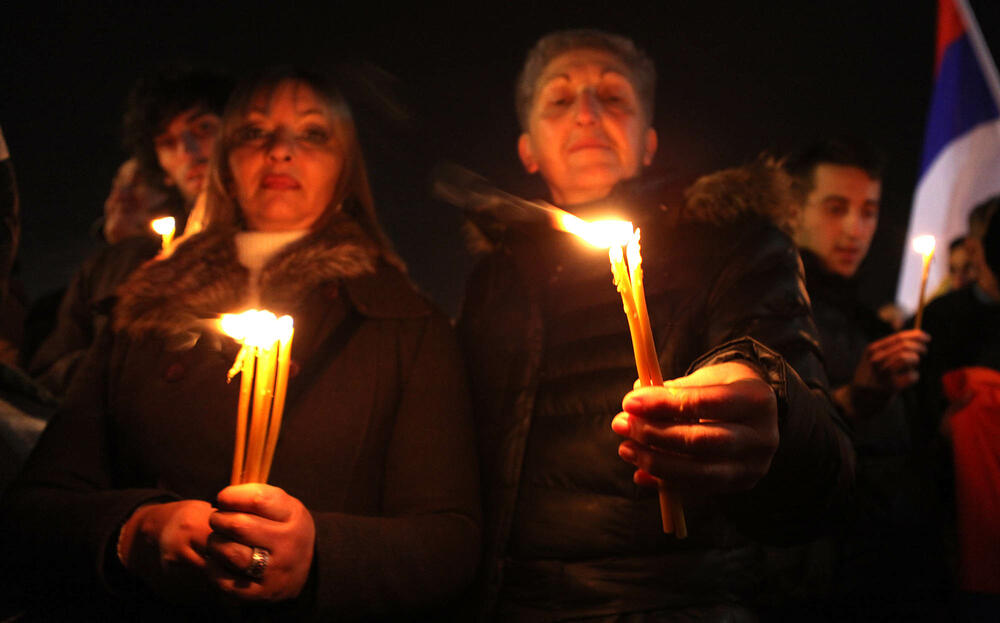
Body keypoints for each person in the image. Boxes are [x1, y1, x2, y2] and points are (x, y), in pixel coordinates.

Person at [2, 67, 480, 620]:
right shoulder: (145, 308)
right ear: (227, 159)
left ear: (346, 168)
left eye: (312, 134)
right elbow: (33, 509)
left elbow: (449, 539)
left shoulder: (403, 323)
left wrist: (320, 556)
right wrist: (135, 530)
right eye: (255, 132)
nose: (280, 150)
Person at [459, 30, 853, 620]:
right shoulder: (493, 281)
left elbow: (823, 481)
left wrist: (773, 411)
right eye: (561, 100)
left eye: (613, 97)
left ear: (649, 142)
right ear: (529, 151)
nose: (588, 113)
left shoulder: (736, 246)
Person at [782, 139, 945, 619]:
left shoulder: (869, 323)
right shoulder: (776, 315)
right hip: (815, 584)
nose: (856, 229)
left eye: (869, 211)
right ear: (793, 210)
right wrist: (854, 398)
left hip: (888, 573)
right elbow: (776, 446)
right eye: (837, 209)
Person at [28, 66, 232, 396]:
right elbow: (44, 380)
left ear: (239, 131)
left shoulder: (279, 247)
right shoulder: (113, 267)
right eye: (168, 142)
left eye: (204, 127)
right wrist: (125, 357)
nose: (188, 150)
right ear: (160, 168)